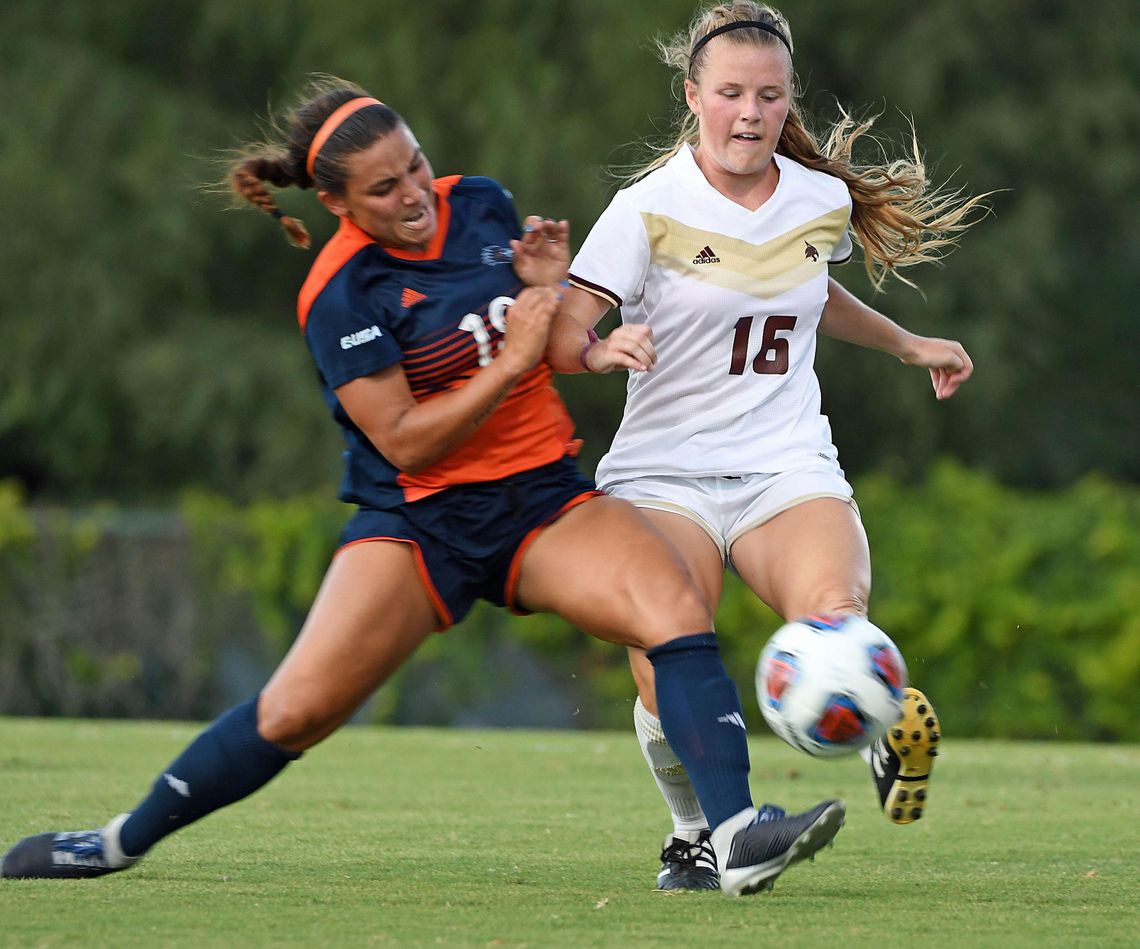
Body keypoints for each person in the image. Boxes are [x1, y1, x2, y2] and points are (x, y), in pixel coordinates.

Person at [1, 78, 846, 897]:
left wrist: (550, 296)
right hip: (420, 524)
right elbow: (407, 442)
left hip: (539, 501)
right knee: (294, 711)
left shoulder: (479, 203)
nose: (415, 193)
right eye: (385, 187)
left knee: (673, 608)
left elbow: (541, 339)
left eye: (414, 164)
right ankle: (117, 842)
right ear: (339, 205)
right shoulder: (340, 293)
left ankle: (733, 836)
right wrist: (512, 359)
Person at [536, 3, 988, 891]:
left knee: (836, 614)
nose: (750, 113)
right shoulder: (646, 208)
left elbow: (810, 294)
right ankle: (697, 832)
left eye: (769, 97)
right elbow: (561, 335)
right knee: (673, 648)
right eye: (732, 93)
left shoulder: (819, 199)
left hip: (785, 460)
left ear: (790, 103)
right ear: (694, 94)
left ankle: (869, 718)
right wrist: (598, 349)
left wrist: (908, 344)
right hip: (662, 473)